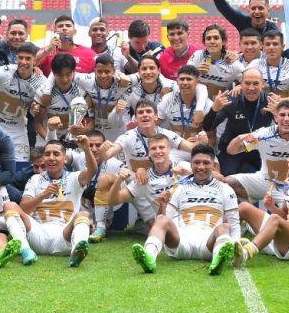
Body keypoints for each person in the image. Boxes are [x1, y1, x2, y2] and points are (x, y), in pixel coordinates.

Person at [131, 144, 239, 275]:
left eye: (206, 163)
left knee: (225, 227)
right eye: (196, 162)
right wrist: (163, 206)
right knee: (160, 218)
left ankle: (217, 261)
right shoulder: (179, 188)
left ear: (213, 166)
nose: (201, 167)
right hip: (182, 242)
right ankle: (148, 257)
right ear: (191, 164)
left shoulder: (226, 189)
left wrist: (236, 249)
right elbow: (166, 222)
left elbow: (234, 224)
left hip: (209, 244)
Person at [1, 136, 98, 267]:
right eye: (47, 154)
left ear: (65, 159)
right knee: (9, 205)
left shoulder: (74, 178)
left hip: (64, 237)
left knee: (84, 215)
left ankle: (76, 252)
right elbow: (24, 209)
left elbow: (93, 170)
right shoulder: (35, 179)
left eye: (56, 154)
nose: (51, 158)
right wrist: (43, 194)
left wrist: (86, 148)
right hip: (37, 236)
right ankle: (25, 250)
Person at [225, 100, 289, 203]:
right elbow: (231, 151)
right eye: (282, 115)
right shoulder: (264, 134)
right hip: (264, 181)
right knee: (228, 182)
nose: (286, 119)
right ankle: (247, 209)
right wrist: (240, 137)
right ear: (276, 118)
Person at [0, 42, 48, 162]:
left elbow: (38, 113)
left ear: (35, 61)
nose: (23, 62)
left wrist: (34, 109)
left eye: (28, 59)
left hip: (19, 129)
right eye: (20, 58)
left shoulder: (41, 81)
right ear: (16, 58)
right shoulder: (5, 71)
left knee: (20, 167)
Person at [107, 134, 189, 233]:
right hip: (169, 227)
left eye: (161, 147)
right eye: (154, 148)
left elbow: (212, 177)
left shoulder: (184, 167)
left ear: (169, 149)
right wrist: (119, 180)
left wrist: (191, 173)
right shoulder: (143, 179)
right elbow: (113, 201)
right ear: (149, 153)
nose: (158, 151)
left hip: (192, 218)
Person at [203, 68, 277, 175]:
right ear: (241, 84)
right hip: (231, 148)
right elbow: (208, 127)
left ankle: (247, 169)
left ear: (263, 84)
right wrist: (214, 110)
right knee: (229, 177)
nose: (251, 88)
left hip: (258, 147)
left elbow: (284, 130)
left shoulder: (270, 101)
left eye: (256, 83)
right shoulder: (232, 99)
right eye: (247, 83)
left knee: (264, 177)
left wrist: (277, 114)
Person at [101, 98, 193, 171]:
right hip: (137, 182)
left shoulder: (166, 134)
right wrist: (103, 150)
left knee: (185, 166)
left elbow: (193, 148)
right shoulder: (127, 137)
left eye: (148, 111)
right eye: (140, 112)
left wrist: (203, 142)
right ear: (136, 118)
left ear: (156, 116)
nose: (145, 115)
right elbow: (107, 155)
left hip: (162, 180)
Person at [66, 130, 125, 242]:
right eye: (90, 145)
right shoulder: (80, 157)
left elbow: (129, 179)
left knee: (106, 179)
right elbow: (61, 155)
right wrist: (53, 132)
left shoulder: (115, 163)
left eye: (98, 145)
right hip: (80, 212)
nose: (94, 149)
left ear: (105, 146)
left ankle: (99, 227)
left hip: (103, 217)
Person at [35, 53, 93, 147]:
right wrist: (51, 141)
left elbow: (91, 119)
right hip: (47, 138)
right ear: (53, 73)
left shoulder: (83, 89)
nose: (65, 79)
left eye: (68, 74)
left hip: (73, 140)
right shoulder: (43, 91)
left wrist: (85, 130)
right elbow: (38, 122)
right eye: (60, 75)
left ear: (74, 72)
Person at [72, 53, 131, 142]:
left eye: (107, 71)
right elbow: (64, 72)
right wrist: (47, 91)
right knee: (78, 100)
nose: (103, 75)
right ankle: (72, 134)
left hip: (117, 130)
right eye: (99, 71)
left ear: (114, 71)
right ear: (95, 70)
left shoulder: (122, 81)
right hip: (97, 130)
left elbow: (142, 76)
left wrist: (122, 75)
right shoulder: (87, 79)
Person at [157, 65, 212, 148]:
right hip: (174, 147)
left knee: (213, 161)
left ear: (197, 82)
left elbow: (212, 138)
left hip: (199, 147)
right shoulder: (167, 99)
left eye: (189, 79)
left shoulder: (207, 104)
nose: (185, 82)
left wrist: (202, 145)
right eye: (182, 79)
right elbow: (156, 125)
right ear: (177, 81)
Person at [187, 24, 245, 97]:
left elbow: (249, 80)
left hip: (221, 103)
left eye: (216, 38)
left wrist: (240, 86)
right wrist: (196, 72)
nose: (212, 41)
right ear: (204, 42)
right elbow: (184, 75)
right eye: (208, 38)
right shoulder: (198, 56)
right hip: (197, 100)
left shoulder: (232, 62)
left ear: (223, 41)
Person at [248, 30, 289, 103]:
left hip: (282, 108)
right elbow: (244, 87)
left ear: (282, 47)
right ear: (262, 46)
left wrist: (278, 101)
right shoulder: (254, 65)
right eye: (267, 44)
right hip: (259, 108)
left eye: (275, 44)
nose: (271, 47)